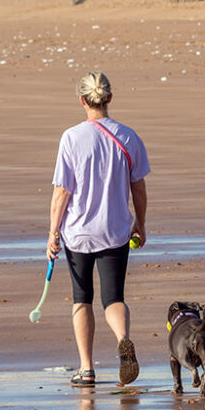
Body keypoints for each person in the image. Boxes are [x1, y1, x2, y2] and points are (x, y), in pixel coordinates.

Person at [46, 71, 150, 388]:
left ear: (82, 100)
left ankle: (86, 368)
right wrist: (140, 223)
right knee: (114, 298)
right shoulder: (128, 136)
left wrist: (52, 233)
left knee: (82, 299)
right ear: (109, 99)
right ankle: (123, 339)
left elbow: (62, 191)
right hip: (115, 229)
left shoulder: (72, 137)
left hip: (78, 232)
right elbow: (139, 188)